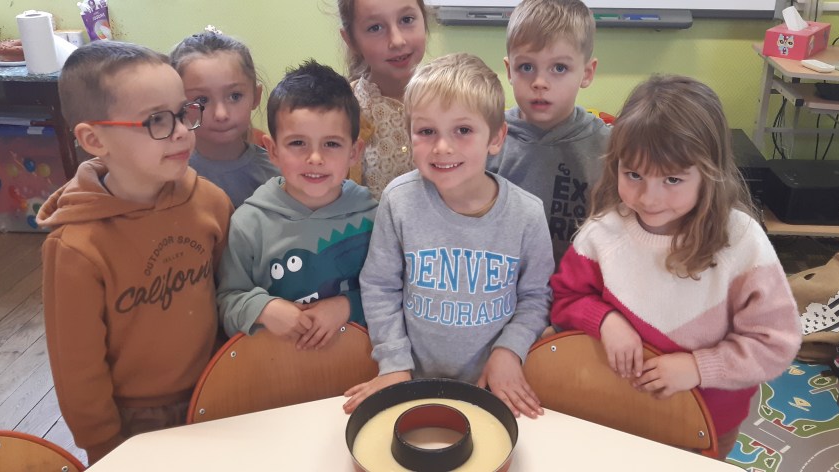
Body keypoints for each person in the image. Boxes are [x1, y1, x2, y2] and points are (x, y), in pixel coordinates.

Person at [549, 75, 802, 459]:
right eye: (634, 175)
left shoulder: (742, 242)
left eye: (672, 179)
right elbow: (565, 297)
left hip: (706, 426)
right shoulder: (603, 234)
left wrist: (699, 367)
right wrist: (605, 321)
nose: (649, 198)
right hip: (613, 409)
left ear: (709, 173)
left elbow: (775, 343)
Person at [37, 41, 233, 464]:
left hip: (217, 389)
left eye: (184, 112)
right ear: (94, 139)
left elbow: (229, 294)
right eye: (155, 120)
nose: (181, 131)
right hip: (134, 421)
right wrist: (104, 447)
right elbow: (77, 370)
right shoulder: (75, 247)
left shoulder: (210, 202)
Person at [343, 53, 553, 419]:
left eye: (463, 130)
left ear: (496, 137)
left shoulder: (528, 214)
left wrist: (510, 351)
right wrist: (393, 362)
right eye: (427, 132)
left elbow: (536, 297)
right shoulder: (398, 200)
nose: (442, 147)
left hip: (493, 388)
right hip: (412, 384)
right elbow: (379, 286)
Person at [216, 59, 377, 348]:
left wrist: (347, 305)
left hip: (359, 366)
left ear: (354, 152)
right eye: (298, 143)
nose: (315, 158)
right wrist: (263, 309)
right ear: (273, 150)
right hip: (274, 367)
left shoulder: (374, 217)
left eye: (331, 144)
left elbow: (394, 293)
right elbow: (227, 302)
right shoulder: (249, 223)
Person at [489, 0, 609, 267]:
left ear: (587, 73)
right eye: (526, 67)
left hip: (576, 285)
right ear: (509, 71)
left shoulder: (609, 147)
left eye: (559, 68)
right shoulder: (487, 140)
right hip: (502, 284)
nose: (540, 83)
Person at [171, 26, 280, 207]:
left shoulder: (279, 174)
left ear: (256, 96)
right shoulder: (168, 176)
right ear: (179, 105)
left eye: (235, 96)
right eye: (202, 100)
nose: (221, 114)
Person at [338, 0, 428, 199]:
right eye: (375, 28)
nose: (397, 41)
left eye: (406, 20)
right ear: (351, 40)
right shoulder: (342, 111)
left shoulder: (455, 100)